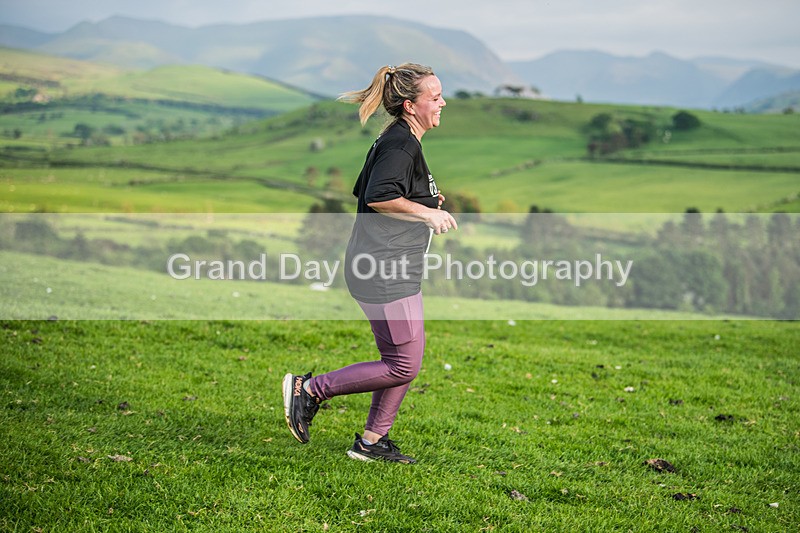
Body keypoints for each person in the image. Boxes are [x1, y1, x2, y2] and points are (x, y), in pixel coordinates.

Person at [282, 63, 457, 463]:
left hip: (394, 267)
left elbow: (367, 189)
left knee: (405, 360)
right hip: (383, 270)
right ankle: (310, 391)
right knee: (402, 365)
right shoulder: (400, 145)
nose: (443, 103)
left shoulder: (398, 139)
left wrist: (424, 201)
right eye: (435, 97)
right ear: (411, 105)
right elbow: (378, 195)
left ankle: (372, 441)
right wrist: (426, 213)